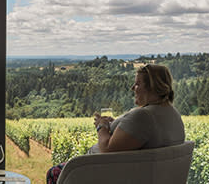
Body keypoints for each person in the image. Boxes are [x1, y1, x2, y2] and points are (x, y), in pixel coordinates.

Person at [46, 64, 185, 184]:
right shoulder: (171, 114)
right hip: (130, 174)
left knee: (54, 172)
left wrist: (102, 126)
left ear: (153, 87)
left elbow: (107, 149)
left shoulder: (144, 116)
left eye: (137, 84)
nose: (132, 88)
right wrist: (117, 125)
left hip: (101, 175)